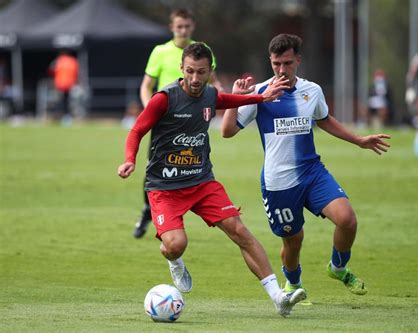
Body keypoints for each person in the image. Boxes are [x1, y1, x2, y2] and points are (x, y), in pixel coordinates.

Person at [117, 42, 306, 316]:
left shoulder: (209, 94)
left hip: (202, 182)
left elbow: (227, 100)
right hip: (164, 187)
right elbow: (136, 130)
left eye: (201, 72)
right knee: (175, 244)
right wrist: (130, 159)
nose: (195, 79)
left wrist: (259, 98)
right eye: (190, 71)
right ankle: (175, 261)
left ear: (210, 71)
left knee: (239, 231)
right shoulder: (164, 99)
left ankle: (278, 297)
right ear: (182, 68)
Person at [221, 34, 390, 299]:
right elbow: (227, 131)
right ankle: (294, 284)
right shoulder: (259, 94)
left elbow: (324, 119)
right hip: (279, 182)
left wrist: (358, 140)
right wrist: (236, 98)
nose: (281, 70)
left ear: (298, 60)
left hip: (312, 172)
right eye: (276, 63)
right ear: (270, 61)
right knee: (294, 240)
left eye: (287, 63)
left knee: (347, 220)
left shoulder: (312, 91)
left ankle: (338, 267)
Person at [134, 8, 222, 238]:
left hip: (191, 119)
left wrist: (221, 101)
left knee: (191, 162)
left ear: (192, 27)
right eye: (179, 26)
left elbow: (213, 81)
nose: (183, 30)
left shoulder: (202, 51)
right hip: (165, 122)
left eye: (187, 26)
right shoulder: (160, 52)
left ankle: (178, 211)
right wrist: (150, 110)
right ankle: (149, 210)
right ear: (172, 27)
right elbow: (146, 85)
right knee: (154, 167)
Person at [49, 50, 79, 126]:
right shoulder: (73, 61)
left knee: (59, 101)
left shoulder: (58, 61)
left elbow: (51, 70)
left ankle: (57, 116)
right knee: (67, 102)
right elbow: (77, 72)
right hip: (69, 84)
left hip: (59, 84)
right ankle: (66, 117)